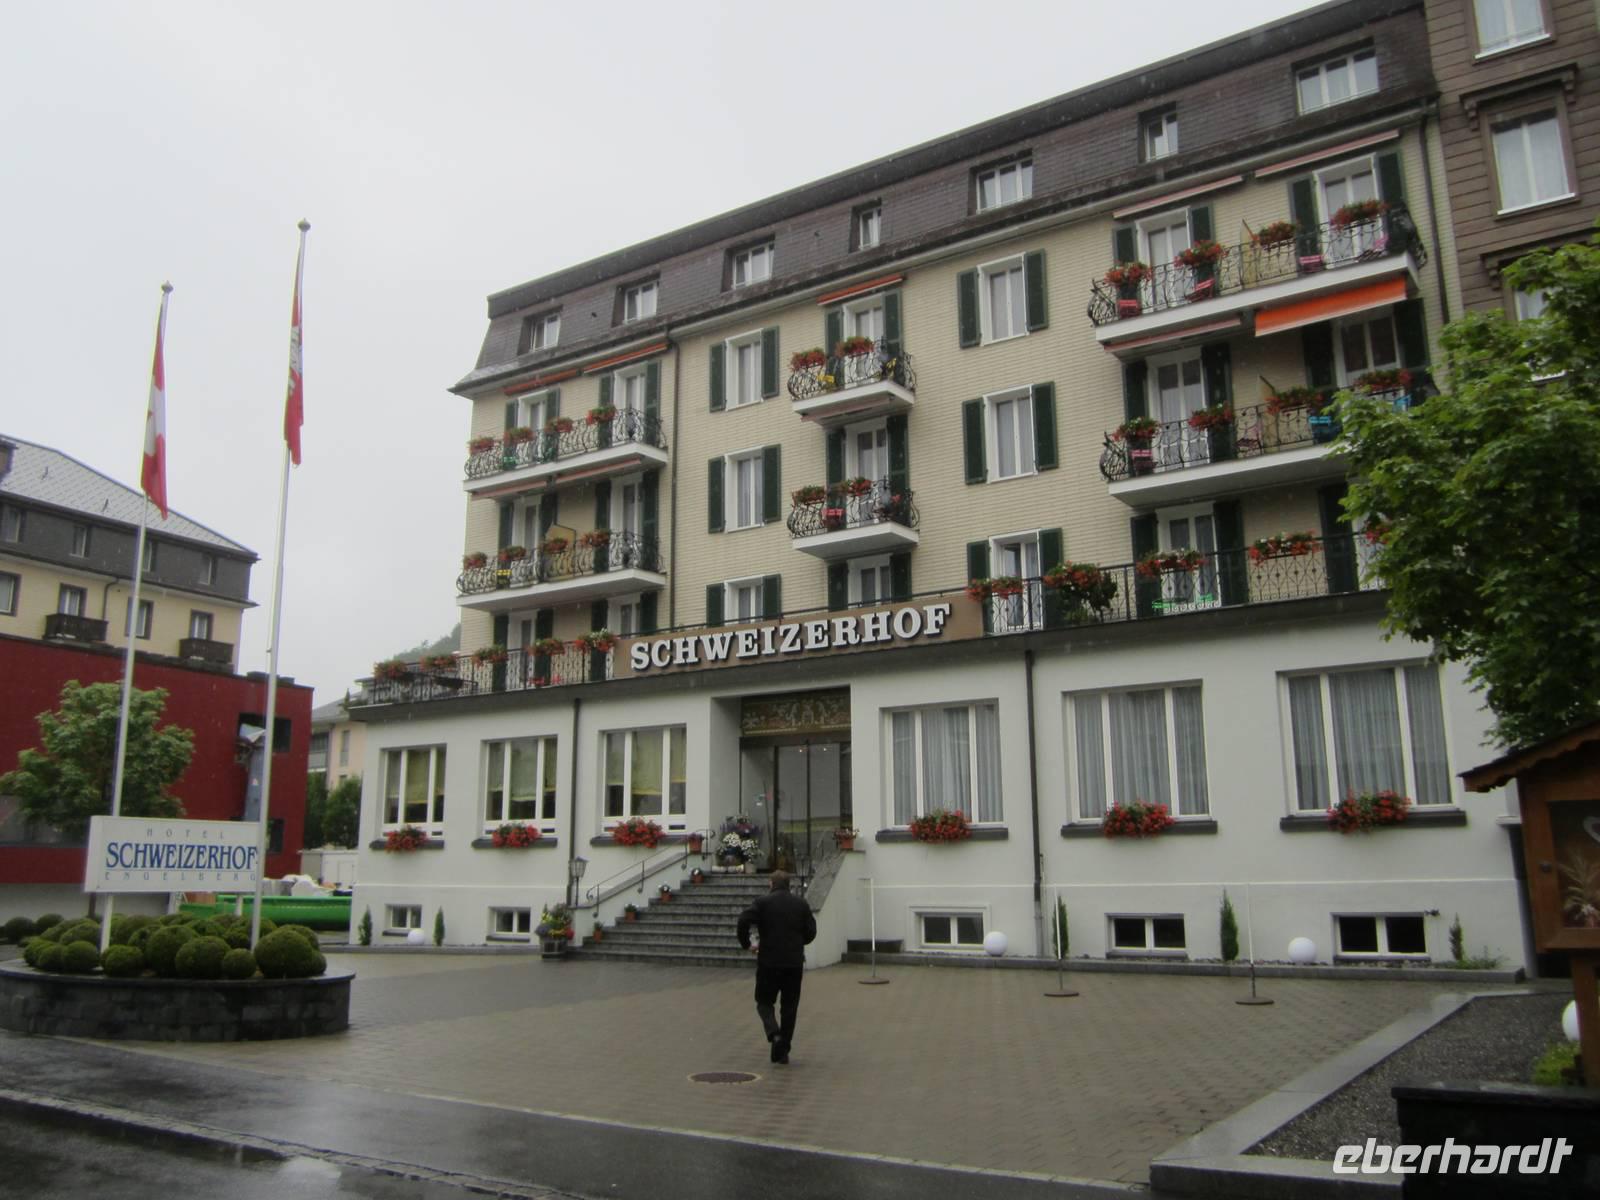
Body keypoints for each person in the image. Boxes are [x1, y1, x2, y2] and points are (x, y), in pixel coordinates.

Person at [736, 870, 816, 1065]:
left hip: (768, 962)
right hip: (793, 963)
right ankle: (783, 1050)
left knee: (764, 1002)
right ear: (788, 885)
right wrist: (798, 942)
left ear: (771, 884)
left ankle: (774, 1033)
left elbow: (743, 920)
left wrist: (747, 944)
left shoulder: (763, 903)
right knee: (789, 1007)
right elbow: (811, 932)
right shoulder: (801, 904)